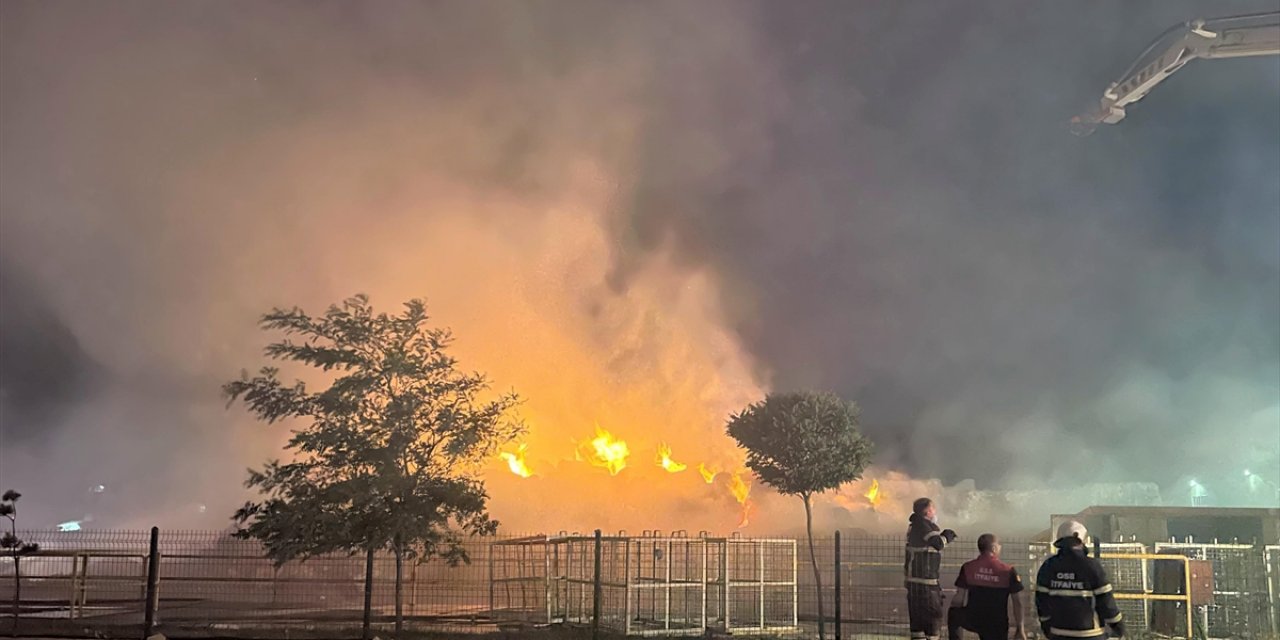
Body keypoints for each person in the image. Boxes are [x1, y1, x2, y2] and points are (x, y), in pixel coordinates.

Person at [1035, 520, 1126, 639]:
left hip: (1058, 633)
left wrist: (1047, 627)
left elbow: (1042, 602)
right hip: (1090, 634)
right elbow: (1106, 602)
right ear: (1081, 539)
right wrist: (1118, 627)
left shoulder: (1048, 566)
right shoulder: (1091, 566)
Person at [947, 533, 1027, 640]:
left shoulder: (968, 567)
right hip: (997, 624)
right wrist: (1020, 629)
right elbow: (1017, 602)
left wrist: (956, 617)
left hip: (973, 619)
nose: (1000, 548)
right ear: (994, 548)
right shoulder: (1008, 571)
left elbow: (958, 599)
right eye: (999, 545)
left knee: (954, 613)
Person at [906, 497, 957, 640]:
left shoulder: (914, 525)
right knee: (933, 619)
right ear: (928, 511)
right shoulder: (924, 525)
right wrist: (947, 536)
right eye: (933, 508)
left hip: (914, 583)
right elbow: (937, 543)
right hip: (926, 584)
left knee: (917, 624)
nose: (935, 511)